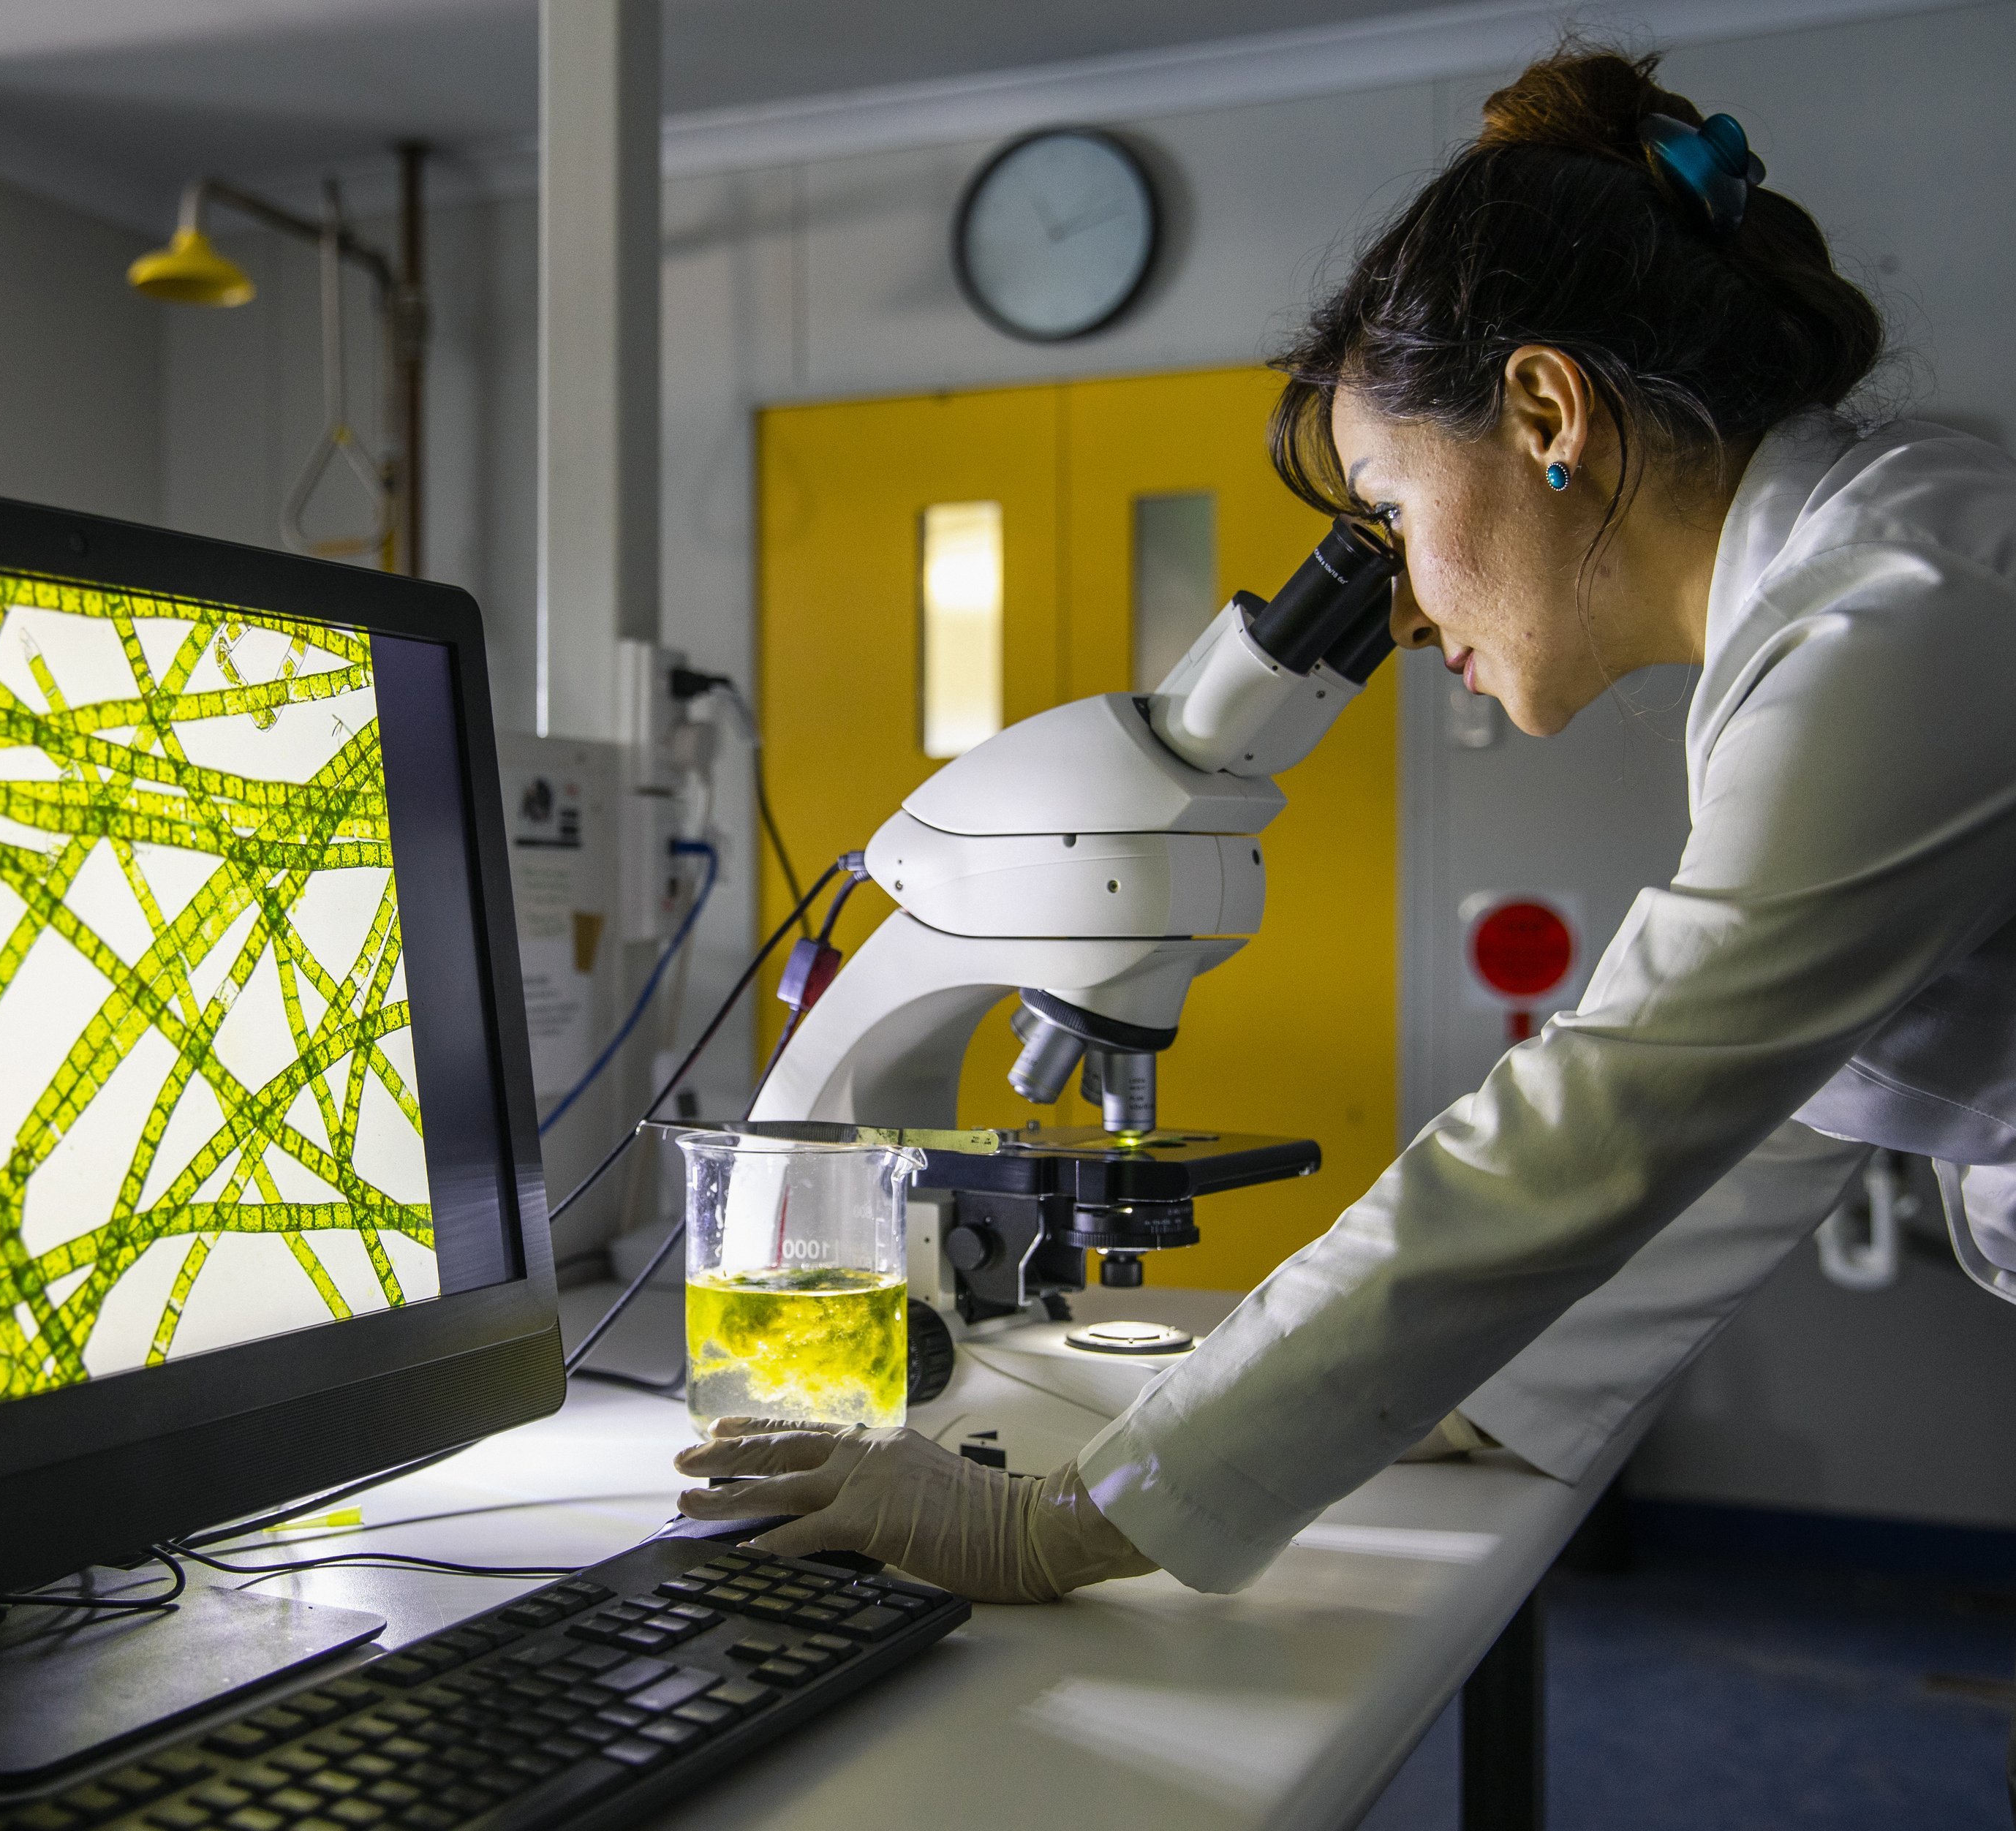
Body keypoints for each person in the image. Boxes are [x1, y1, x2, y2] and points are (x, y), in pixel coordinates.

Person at [673, 45, 2016, 1608]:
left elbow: (1593, 1132)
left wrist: (1064, 1519)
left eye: (1387, 508)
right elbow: (1764, 1119)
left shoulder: (1897, 624)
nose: (1401, 594)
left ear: (1541, 408)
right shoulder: (1860, 592)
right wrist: (1442, 1391)